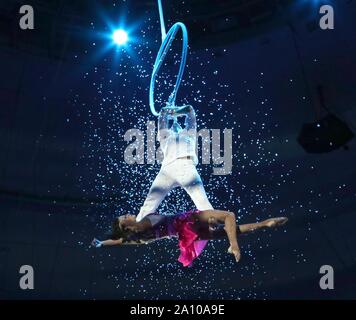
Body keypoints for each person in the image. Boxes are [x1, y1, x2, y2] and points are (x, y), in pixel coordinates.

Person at [92, 209, 288, 267]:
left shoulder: (138, 237)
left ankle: (264, 224)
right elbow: (119, 239)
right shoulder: (143, 223)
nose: (128, 213)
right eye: (125, 217)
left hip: (185, 235)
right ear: (126, 225)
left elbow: (118, 241)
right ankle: (234, 246)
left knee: (226, 230)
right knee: (228, 216)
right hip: (186, 221)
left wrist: (101, 244)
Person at [135, 105, 213, 222]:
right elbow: (162, 113)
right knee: (149, 204)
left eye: (178, 124)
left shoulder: (189, 133)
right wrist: (169, 111)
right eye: (172, 125)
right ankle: (135, 228)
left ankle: (215, 225)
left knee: (202, 202)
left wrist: (175, 112)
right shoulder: (164, 136)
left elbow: (190, 109)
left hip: (186, 166)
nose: (175, 125)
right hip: (167, 170)